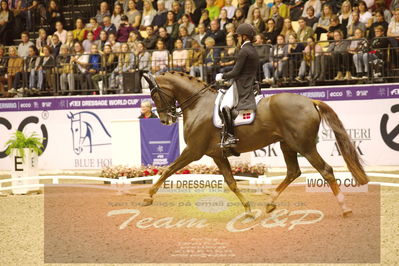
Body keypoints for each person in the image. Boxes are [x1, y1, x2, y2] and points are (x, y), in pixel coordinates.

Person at [215, 23, 259, 148]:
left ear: (244, 37)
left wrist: (221, 76)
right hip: (250, 82)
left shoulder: (244, 50)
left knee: (224, 106)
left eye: (238, 36)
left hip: (241, 84)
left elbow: (235, 72)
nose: (237, 38)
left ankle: (230, 136)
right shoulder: (252, 49)